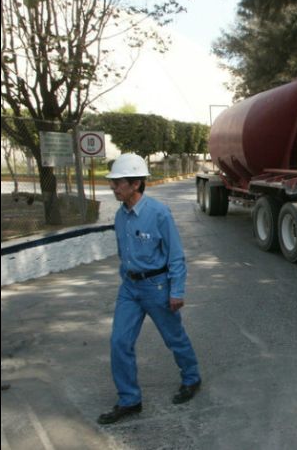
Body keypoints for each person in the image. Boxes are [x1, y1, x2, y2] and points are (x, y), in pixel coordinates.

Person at [97, 153, 202, 425]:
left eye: (118, 183)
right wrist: (127, 278)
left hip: (157, 287)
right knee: (119, 342)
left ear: (135, 184)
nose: (113, 187)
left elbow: (176, 255)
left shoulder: (159, 213)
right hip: (130, 288)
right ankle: (130, 399)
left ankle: (191, 379)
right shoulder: (120, 216)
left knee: (174, 338)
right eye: (114, 182)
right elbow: (124, 253)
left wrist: (176, 290)